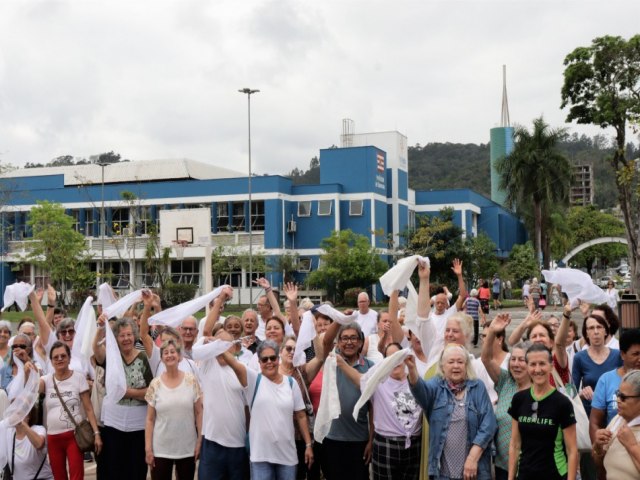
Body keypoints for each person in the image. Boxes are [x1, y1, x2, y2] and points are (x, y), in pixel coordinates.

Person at [222, 339, 314, 480]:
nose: (269, 362)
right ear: (259, 362)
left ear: (278, 359)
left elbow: (301, 415)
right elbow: (234, 364)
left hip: (287, 456)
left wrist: (308, 444)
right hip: (260, 456)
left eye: (272, 358)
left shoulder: (291, 383)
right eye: (264, 359)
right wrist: (218, 345)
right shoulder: (253, 380)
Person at [407, 344, 496, 480]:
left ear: (466, 365)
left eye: (460, 362)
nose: (456, 366)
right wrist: (412, 369)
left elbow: (488, 424)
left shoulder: (478, 387)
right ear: (442, 366)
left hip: (473, 472)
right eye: (451, 362)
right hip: (442, 473)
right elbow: (420, 390)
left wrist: (472, 458)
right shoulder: (435, 386)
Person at [337, 342, 422, 480]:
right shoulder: (378, 382)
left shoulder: (416, 379)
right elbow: (359, 379)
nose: (395, 361)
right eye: (390, 358)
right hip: (386, 444)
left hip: (413, 445)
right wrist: (341, 363)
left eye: (397, 356)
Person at [195, 286, 251, 480]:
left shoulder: (243, 365)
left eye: (223, 344)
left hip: (237, 444)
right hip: (211, 443)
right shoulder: (207, 364)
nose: (217, 348)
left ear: (233, 347)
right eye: (215, 344)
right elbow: (207, 330)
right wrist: (219, 299)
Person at [93, 316, 153, 480]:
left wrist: (128, 393)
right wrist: (100, 328)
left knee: (136, 469)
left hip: (138, 425)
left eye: (129, 334)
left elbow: (151, 391)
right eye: (122, 335)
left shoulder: (142, 358)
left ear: (134, 336)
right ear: (116, 338)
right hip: (114, 424)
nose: (126, 339)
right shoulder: (112, 358)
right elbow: (96, 351)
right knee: (115, 468)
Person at [508, 343, 578, 480]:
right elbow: (515, 445)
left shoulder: (562, 403)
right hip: (524, 474)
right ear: (527, 367)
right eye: (533, 364)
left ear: (551, 366)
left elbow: (572, 450)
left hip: (555, 474)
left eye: (542, 364)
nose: (537, 369)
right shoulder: (519, 399)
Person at [40, 341, 102, 480]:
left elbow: (89, 409)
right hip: (53, 438)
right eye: (56, 357)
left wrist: (96, 434)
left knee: (76, 475)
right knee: (59, 476)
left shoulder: (78, 378)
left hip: (74, 436)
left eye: (63, 356)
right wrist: (26, 371)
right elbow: (31, 388)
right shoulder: (46, 380)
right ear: (51, 361)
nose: (60, 359)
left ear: (69, 358)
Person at [320, 321, 374, 480]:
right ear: (339, 342)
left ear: (360, 342)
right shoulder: (331, 361)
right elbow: (326, 341)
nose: (349, 342)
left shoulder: (370, 367)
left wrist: (371, 441)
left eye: (353, 338)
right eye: (344, 338)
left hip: (360, 441)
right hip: (333, 438)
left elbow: (373, 409)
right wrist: (339, 319)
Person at [481, 314, 531, 480]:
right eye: (513, 359)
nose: (516, 364)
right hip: (502, 465)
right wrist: (492, 332)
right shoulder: (505, 382)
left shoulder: (539, 391)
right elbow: (486, 358)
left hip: (530, 466)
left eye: (522, 360)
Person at [145, 339, 202, 480]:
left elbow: (199, 412)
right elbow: (150, 419)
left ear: (179, 356)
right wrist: (148, 448)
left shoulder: (191, 380)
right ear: (162, 358)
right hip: (161, 449)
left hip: (187, 448)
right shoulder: (155, 384)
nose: (169, 355)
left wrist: (200, 440)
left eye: (173, 352)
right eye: (166, 353)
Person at [278, 335, 326, 480]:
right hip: (279, 437)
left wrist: (314, 330)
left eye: (295, 349)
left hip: (300, 436)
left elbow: (320, 357)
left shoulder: (302, 372)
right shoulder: (271, 373)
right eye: (288, 348)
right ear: (280, 351)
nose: (292, 352)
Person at [590, 328, 640, 443]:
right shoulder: (606, 380)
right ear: (623, 354)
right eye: (635, 354)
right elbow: (595, 422)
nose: (639, 359)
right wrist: (598, 450)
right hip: (613, 447)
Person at [593, 370, 640, 479]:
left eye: (623, 397)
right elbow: (600, 465)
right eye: (617, 394)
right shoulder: (618, 419)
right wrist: (598, 447)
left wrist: (632, 446)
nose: (617, 400)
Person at [3, 407, 54, 480]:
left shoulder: (39, 429)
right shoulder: (9, 433)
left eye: (20, 412)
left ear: (29, 415)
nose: (16, 414)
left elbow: (39, 444)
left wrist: (22, 424)